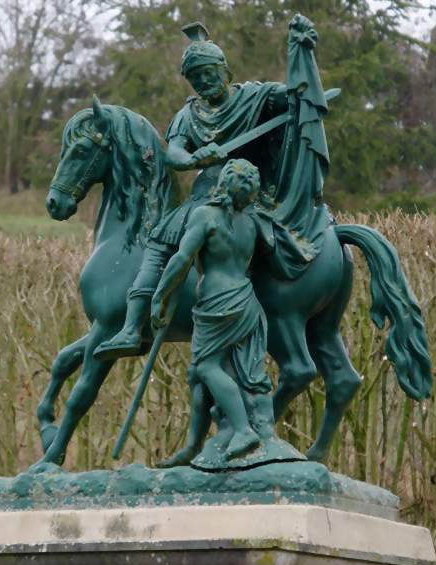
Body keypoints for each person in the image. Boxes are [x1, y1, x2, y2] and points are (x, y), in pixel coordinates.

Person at [94, 22, 288, 361]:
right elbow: (174, 152)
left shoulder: (254, 98)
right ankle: (131, 327)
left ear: (225, 71)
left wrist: (301, 62)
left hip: (248, 195)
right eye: (195, 77)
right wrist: (194, 157)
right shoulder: (189, 113)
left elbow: (292, 97)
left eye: (209, 73)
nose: (203, 81)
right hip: (202, 196)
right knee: (157, 248)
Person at [150, 159, 272, 460]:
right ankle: (192, 445)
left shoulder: (205, 215)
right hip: (246, 300)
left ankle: (243, 430)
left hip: (217, 304)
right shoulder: (251, 222)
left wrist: (159, 295)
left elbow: (181, 259)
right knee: (198, 372)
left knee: (207, 367)